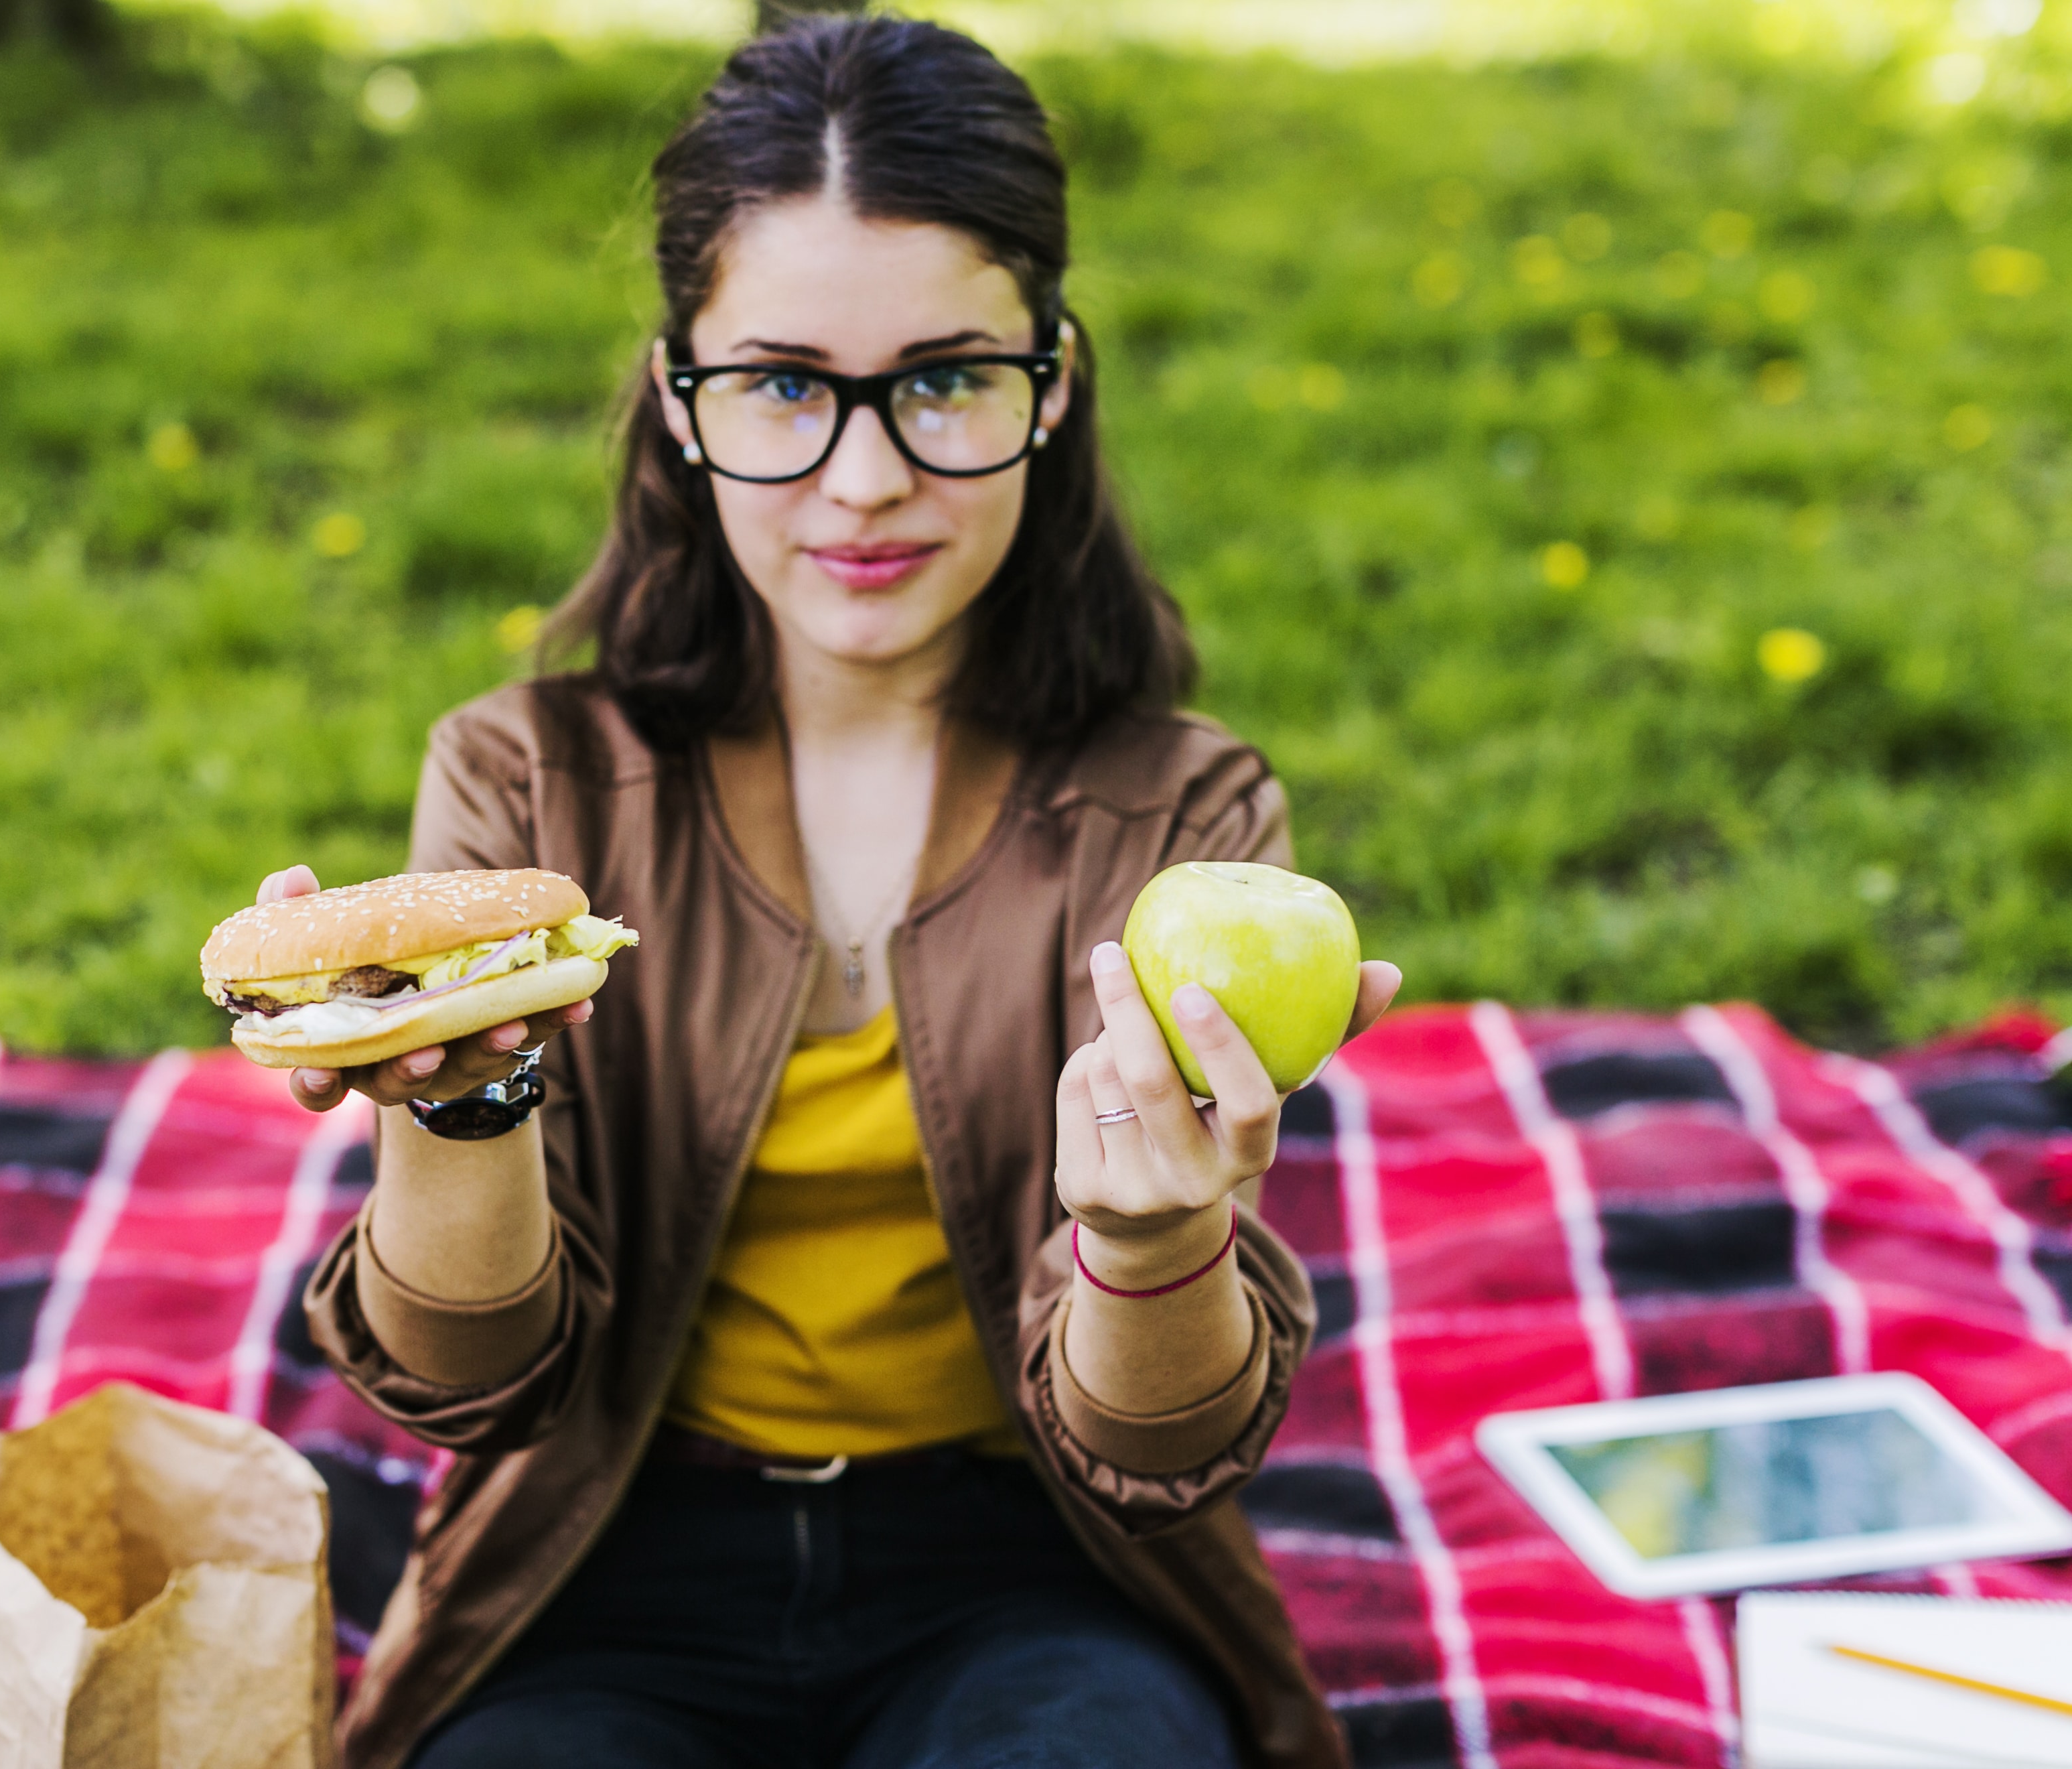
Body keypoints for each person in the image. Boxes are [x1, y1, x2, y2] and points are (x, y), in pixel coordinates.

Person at [267, 16, 1399, 1768]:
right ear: (679, 399)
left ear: (1058, 381)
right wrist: (462, 1098)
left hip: (1032, 1564)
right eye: (786, 384)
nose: (866, 482)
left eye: (946, 379)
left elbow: (1159, 1455)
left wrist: (1161, 1238)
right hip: (614, 1554)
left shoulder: (1184, 813)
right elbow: (476, 1379)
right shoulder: (526, 785)